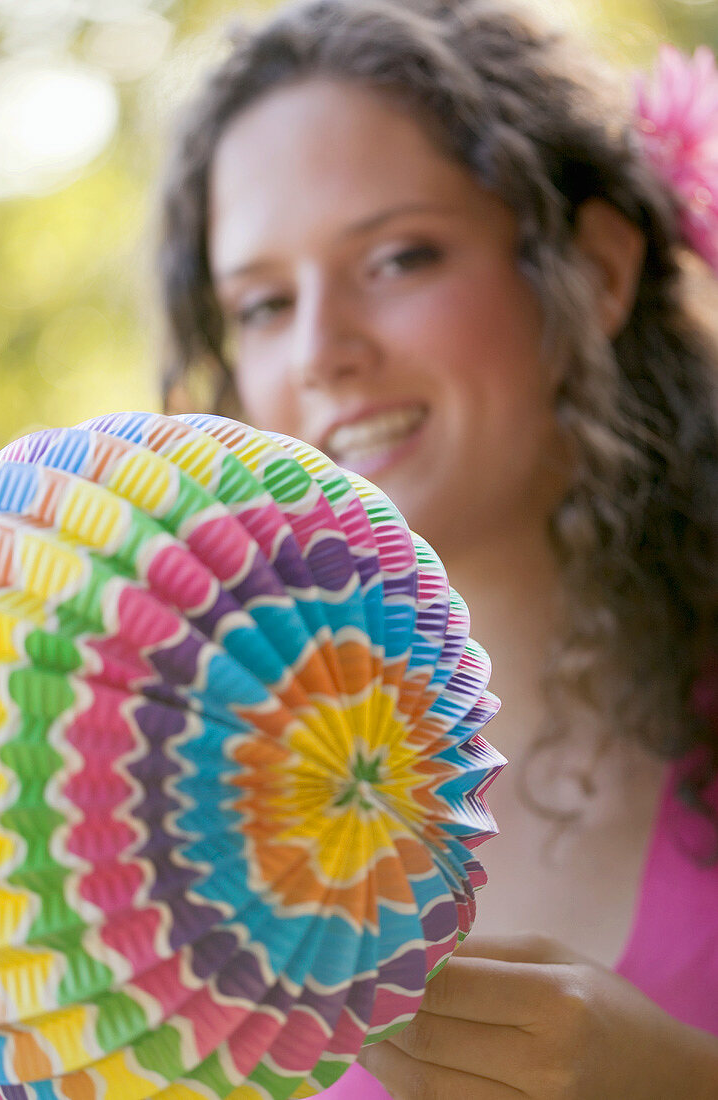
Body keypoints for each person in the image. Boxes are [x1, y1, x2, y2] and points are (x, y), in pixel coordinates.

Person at [157, 0, 718, 1095]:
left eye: (400, 257)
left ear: (596, 271)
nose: (322, 351)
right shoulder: (156, 801)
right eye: (265, 303)